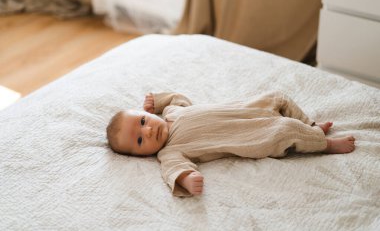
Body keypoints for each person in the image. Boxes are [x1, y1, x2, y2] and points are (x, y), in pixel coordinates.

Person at [106, 92, 355, 197]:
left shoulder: (172, 111)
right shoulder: (170, 152)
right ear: (140, 156)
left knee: (276, 97)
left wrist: (156, 100)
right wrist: (186, 178)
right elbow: (173, 169)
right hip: (253, 136)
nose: (148, 130)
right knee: (285, 130)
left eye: (142, 120)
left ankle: (310, 126)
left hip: (245, 110)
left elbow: (178, 97)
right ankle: (325, 144)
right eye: (140, 140)